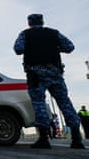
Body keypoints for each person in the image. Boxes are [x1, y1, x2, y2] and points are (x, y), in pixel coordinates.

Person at [13, 14, 84, 149]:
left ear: (29, 23)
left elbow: (18, 49)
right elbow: (69, 47)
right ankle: (76, 138)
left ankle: (44, 138)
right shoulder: (54, 33)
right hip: (54, 73)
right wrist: (55, 48)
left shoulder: (25, 34)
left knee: (39, 104)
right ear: (42, 21)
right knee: (65, 103)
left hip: (36, 74)